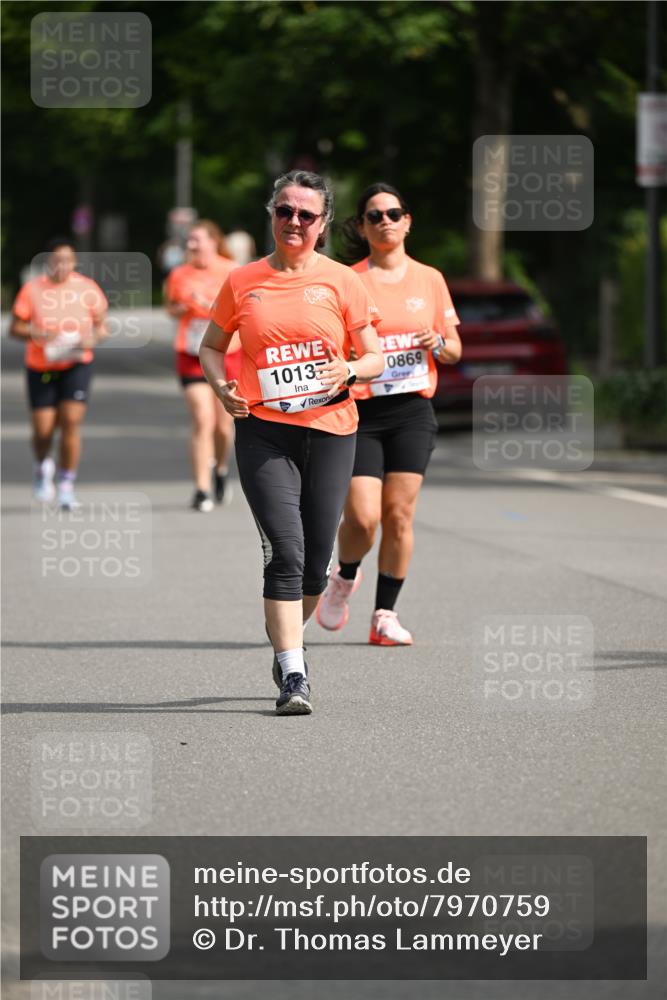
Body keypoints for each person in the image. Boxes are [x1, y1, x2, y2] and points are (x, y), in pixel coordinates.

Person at [199, 170, 384, 715]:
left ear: (323, 223)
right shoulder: (242, 280)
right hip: (264, 431)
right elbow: (212, 347)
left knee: (313, 568)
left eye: (306, 214)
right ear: (272, 215)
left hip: (330, 430)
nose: (294, 222)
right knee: (285, 551)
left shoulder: (343, 281)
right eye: (285, 211)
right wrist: (222, 387)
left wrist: (349, 368)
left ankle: (286, 643)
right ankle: (294, 673)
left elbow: (372, 355)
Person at [317, 183, 462, 645]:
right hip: (359, 410)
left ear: (407, 221)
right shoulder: (349, 279)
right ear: (362, 226)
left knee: (399, 514)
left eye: (393, 213)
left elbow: (455, 349)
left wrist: (435, 343)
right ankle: (344, 575)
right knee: (363, 519)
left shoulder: (430, 279)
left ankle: (384, 615)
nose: (385, 222)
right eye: (374, 216)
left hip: (411, 410)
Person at [10, 238, 109, 509]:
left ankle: (66, 484)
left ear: (74, 262)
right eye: (57, 260)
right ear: (48, 262)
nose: (62, 265)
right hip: (41, 367)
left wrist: (92, 338)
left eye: (67, 260)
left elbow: (102, 326)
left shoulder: (87, 288)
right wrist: (36, 333)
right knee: (43, 432)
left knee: (70, 423)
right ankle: (42, 467)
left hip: (76, 365)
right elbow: (14, 328)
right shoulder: (33, 289)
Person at [164, 220, 240, 511]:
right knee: (202, 419)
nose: (191, 245)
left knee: (224, 426)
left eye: (197, 240)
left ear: (213, 241)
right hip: (191, 352)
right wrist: (180, 309)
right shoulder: (179, 274)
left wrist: (212, 307)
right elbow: (170, 307)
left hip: (228, 354)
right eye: (190, 241)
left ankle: (220, 469)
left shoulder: (232, 270)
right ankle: (201, 488)